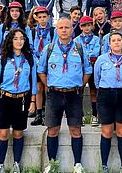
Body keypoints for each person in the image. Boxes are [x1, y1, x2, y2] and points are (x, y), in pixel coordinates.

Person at [37, 17, 92, 173]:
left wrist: (80, 84)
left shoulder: (80, 48)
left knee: (75, 130)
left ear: (72, 29)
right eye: (61, 27)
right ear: (56, 30)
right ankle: (52, 164)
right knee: (52, 129)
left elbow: (88, 70)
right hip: (54, 94)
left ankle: (78, 164)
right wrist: (48, 84)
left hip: (73, 95)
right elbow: (41, 70)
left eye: (67, 27)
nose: (64, 30)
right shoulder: (49, 48)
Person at [0, 28, 37, 173]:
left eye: (22, 38)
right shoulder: (3, 59)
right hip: (5, 98)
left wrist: (33, 101)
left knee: (18, 133)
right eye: (16, 38)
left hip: (22, 99)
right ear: (10, 41)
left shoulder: (29, 59)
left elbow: (33, 81)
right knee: (3, 133)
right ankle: (1, 164)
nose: (19, 41)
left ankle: (17, 163)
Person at [94, 31, 122, 173]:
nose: (117, 42)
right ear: (109, 43)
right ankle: (104, 165)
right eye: (114, 40)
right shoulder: (101, 59)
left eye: (119, 40)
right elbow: (97, 79)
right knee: (107, 130)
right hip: (106, 94)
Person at [30, 6, 57, 126]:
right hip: (37, 62)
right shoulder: (33, 31)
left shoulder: (53, 31)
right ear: (36, 18)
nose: (42, 19)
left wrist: (47, 59)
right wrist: (37, 58)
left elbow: (55, 46)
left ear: (49, 17)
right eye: (39, 17)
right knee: (38, 88)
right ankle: (38, 113)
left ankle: (48, 113)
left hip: (49, 62)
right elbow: (30, 47)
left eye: (44, 17)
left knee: (47, 88)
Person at [74, 16, 101, 127]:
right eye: (84, 25)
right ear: (80, 27)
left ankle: (94, 115)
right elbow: (76, 54)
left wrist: (86, 56)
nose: (86, 28)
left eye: (89, 25)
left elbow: (95, 53)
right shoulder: (76, 40)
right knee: (79, 91)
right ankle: (81, 116)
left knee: (93, 91)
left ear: (92, 26)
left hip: (93, 68)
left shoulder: (96, 39)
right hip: (80, 69)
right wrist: (86, 57)